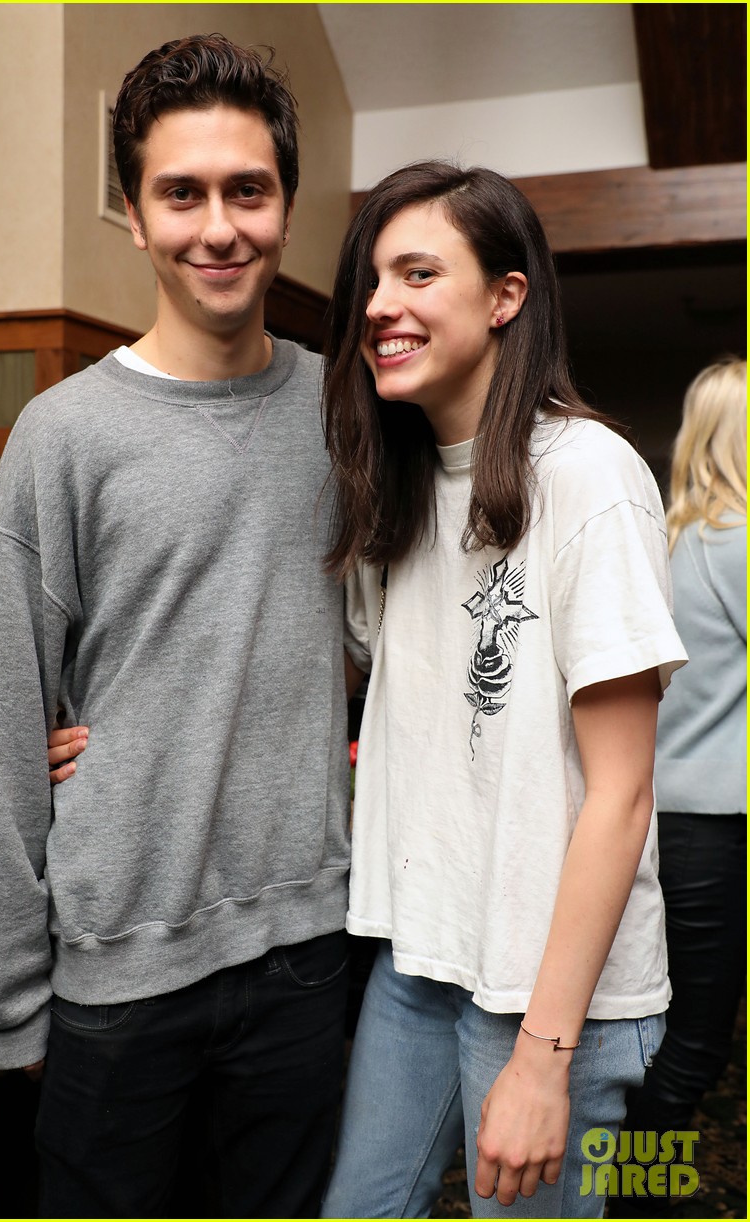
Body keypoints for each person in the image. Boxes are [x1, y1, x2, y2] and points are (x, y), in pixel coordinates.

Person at [0, 35, 352, 1218]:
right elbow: (4, 722)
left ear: (285, 206)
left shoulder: (343, 415)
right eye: (181, 193)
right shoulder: (62, 434)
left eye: (247, 190)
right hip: (116, 975)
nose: (216, 227)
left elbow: (396, 633)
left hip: (304, 953)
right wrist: (7, 992)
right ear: (134, 214)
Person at [317, 162, 687, 1219]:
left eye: (419, 271)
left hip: (548, 998)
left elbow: (619, 796)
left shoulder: (588, 476)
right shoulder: (397, 486)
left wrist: (541, 1059)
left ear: (505, 295)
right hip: (420, 959)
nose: (380, 305)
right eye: (373, 279)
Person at [617, 358, 746, 1203]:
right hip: (715, 821)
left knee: (652, 1024)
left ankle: (627, 1187)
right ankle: (625, 1195)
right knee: (695, 1042)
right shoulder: (739, 545)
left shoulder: (662, 539)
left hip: (653, 815)